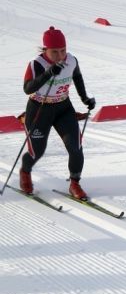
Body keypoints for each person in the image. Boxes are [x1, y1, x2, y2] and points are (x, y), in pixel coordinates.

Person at [19, 26, 96, 198]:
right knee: (37, 151)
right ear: (45, 49)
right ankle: (25, 172)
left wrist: (85, 98)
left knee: (75, 147)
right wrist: (48, 73)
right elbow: (27, 88)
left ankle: (74, 183)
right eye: (54, 51)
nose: (60, 55)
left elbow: (77, 77)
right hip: (39, 109)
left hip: (63, 107)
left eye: (63, 50)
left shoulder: (72, 60)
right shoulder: (37, 64)